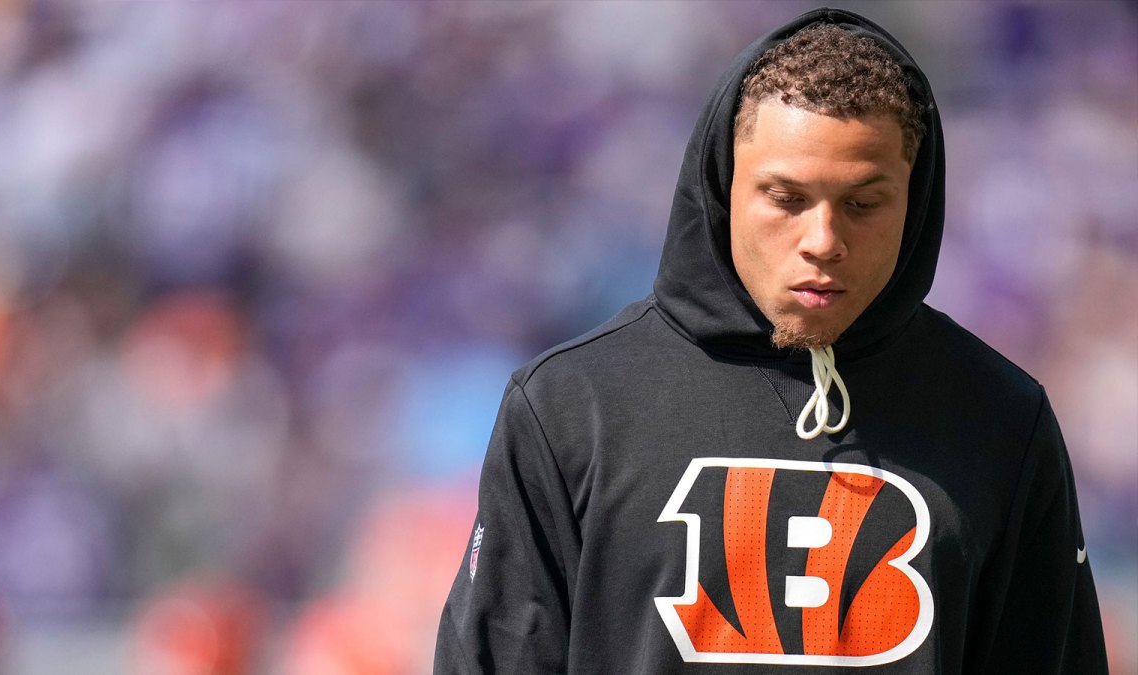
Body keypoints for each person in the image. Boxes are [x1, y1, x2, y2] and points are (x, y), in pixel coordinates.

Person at [434, 8, 1107, 674]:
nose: (823, 241)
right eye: (786, 198)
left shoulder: (1001, 419)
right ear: (724, 186)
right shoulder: (570, 407)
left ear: (916, 200)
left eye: (863, 204)